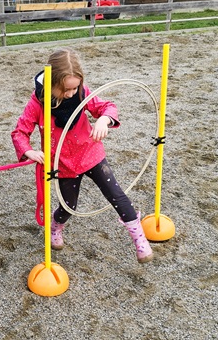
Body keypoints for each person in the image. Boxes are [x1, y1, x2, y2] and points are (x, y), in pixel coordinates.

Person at [11, 48, 153, 263]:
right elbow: (20, 131)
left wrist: (104, 120)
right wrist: (28, 150)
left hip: (91, 154)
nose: (70, 94)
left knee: (117, 194)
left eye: (74, 88)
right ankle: (55, 227)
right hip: (63, 163)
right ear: (51, 84)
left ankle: (140, 241)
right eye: (64, 90)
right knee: (69, 206)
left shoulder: (82, 92)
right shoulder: (37, 102)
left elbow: (107, 106)